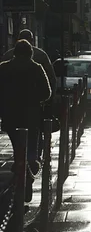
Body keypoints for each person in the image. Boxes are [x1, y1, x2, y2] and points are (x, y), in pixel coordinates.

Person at [0, 40, 52, 202]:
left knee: (17, 146)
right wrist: (36, 100)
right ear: (30, 53)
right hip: (31, 116)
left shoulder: (3, 68)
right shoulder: (36, 68)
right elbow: (47, 93)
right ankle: (27, 176)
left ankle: (19, 172)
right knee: (31, 149)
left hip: (9, 115)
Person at [2, 30, 56, 163]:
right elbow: (48, 89)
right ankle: (31, 164)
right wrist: (42, 101)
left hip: (9, 112)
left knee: (16, 141)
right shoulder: (37, 65)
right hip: (31, 112)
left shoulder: (4, 65)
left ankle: (19, 164)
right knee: (33, 140)